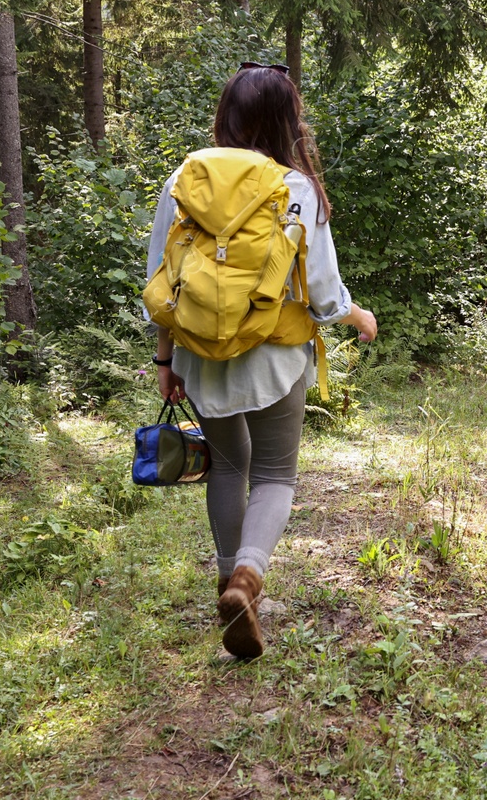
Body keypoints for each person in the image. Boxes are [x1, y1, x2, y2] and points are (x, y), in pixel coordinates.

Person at [145, 63, 377, 660]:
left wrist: (165, 360)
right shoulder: (297, 187)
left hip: (200, 354)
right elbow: (324, 295)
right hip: (274, 353)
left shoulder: (187, 176)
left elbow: (161, 281)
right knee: (275, 473)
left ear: (227, 115)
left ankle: (228, 581)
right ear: (285, 121)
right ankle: (248, 580)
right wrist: (359, 316)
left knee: (227, 467)